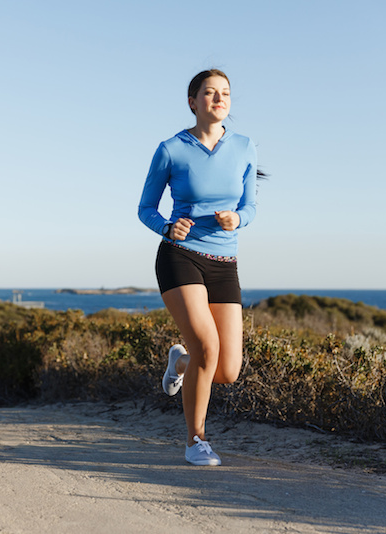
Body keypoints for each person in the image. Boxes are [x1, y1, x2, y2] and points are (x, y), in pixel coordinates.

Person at [137, 69, 258, 466]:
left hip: (225, 264)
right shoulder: (171, 149)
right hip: (181, 256)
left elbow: (250, 207)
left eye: (225, 93)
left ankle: (181, 361)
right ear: (193, 101)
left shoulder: (244, 147)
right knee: (207, 345)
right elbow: (145, 209)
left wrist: (237, 220)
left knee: (226, 371)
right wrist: (168, 227)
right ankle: (196, 440)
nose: (218, 99)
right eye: (209, 92)